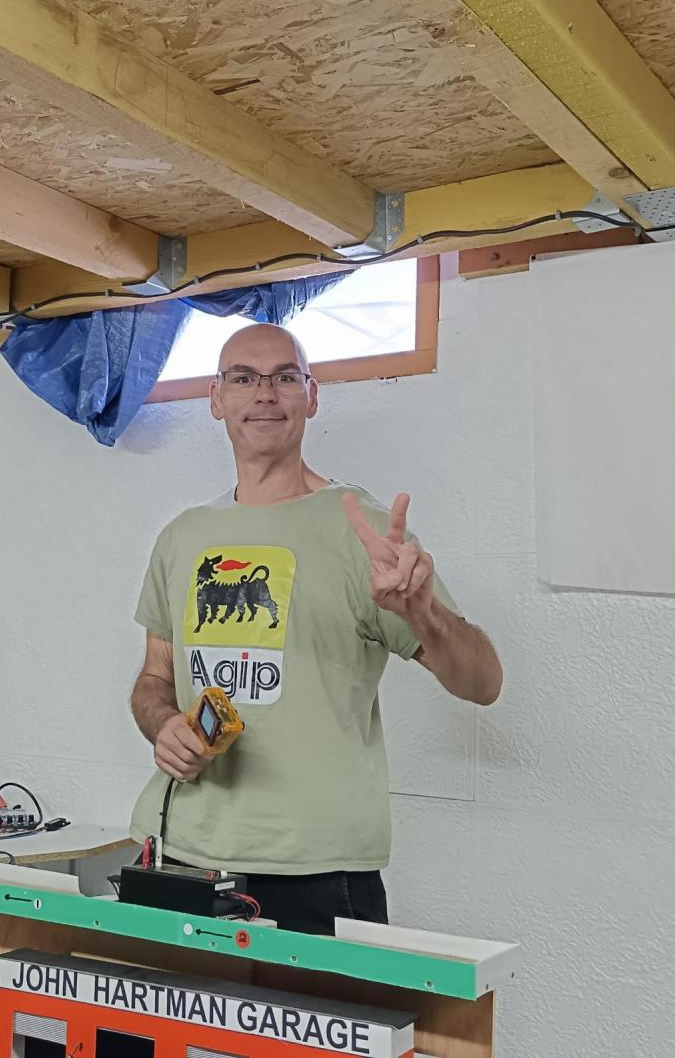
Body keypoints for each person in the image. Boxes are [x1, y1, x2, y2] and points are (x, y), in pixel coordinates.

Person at [130, 323, 502, 935]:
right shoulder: (181, 537)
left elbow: (483, 683)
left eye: (284, 377)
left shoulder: (366, 535)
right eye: (243, 378)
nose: (264, 393)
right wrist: (164, 724)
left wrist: (423, 614)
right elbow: (154, 678)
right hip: (180, 854)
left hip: (318, 872)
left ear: (311, 396)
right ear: (216, 398)